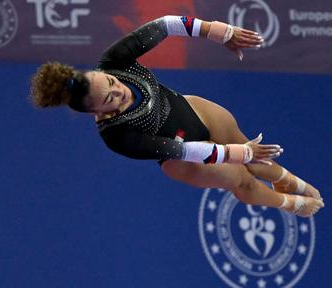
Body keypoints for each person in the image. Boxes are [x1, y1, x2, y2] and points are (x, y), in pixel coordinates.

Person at [30, 16, 324, 217]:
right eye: (109, 98)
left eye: (110, 82)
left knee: (252, 153)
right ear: (95, 112)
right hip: (183, 159)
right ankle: (288, 203)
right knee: (241, 177)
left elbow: (167, 25)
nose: (117, 89)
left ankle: (288, 181)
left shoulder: (113, 61)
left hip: (191, 108)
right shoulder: (117, 135)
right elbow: (183, 149)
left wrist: (219, 31)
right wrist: (238, 154)